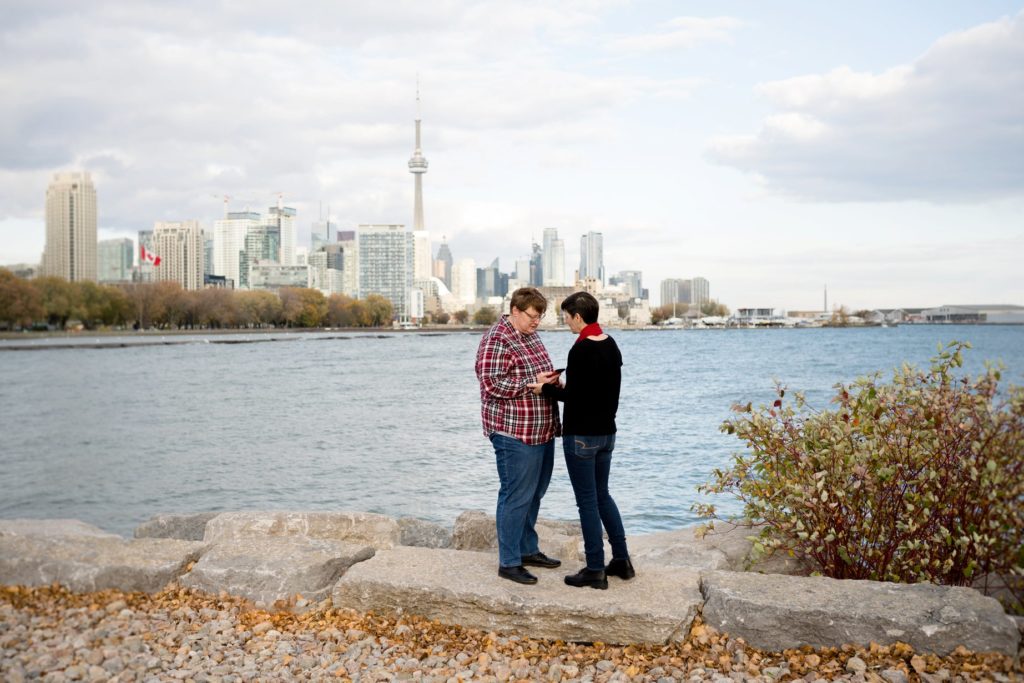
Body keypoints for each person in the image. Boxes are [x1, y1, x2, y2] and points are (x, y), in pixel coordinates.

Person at [529, 291, 634, 589]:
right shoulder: (611, 345)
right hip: (607, 434)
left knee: (587, 502)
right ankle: (622, 561)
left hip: (582, 437)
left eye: (566, 316)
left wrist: (545, 389)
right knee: (603, 496)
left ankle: (594, 569)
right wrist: (563, 383)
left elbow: (576, 398)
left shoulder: (581, 350)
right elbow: (599, 391)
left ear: (578, 316)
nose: (565, 322)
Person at [475, 287, 564, 585]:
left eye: (540, 316)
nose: (537, 321)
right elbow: (491, 384)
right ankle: (509, 561)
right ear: (515, 310)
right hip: (513, 432)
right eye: (532, 316)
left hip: (541, 429)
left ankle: (527, 549)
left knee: (535, 493)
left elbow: (537, 373)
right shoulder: (497, 338)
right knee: (515, 495)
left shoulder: (531, 335)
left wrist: (551, 380)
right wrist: (531, 383)